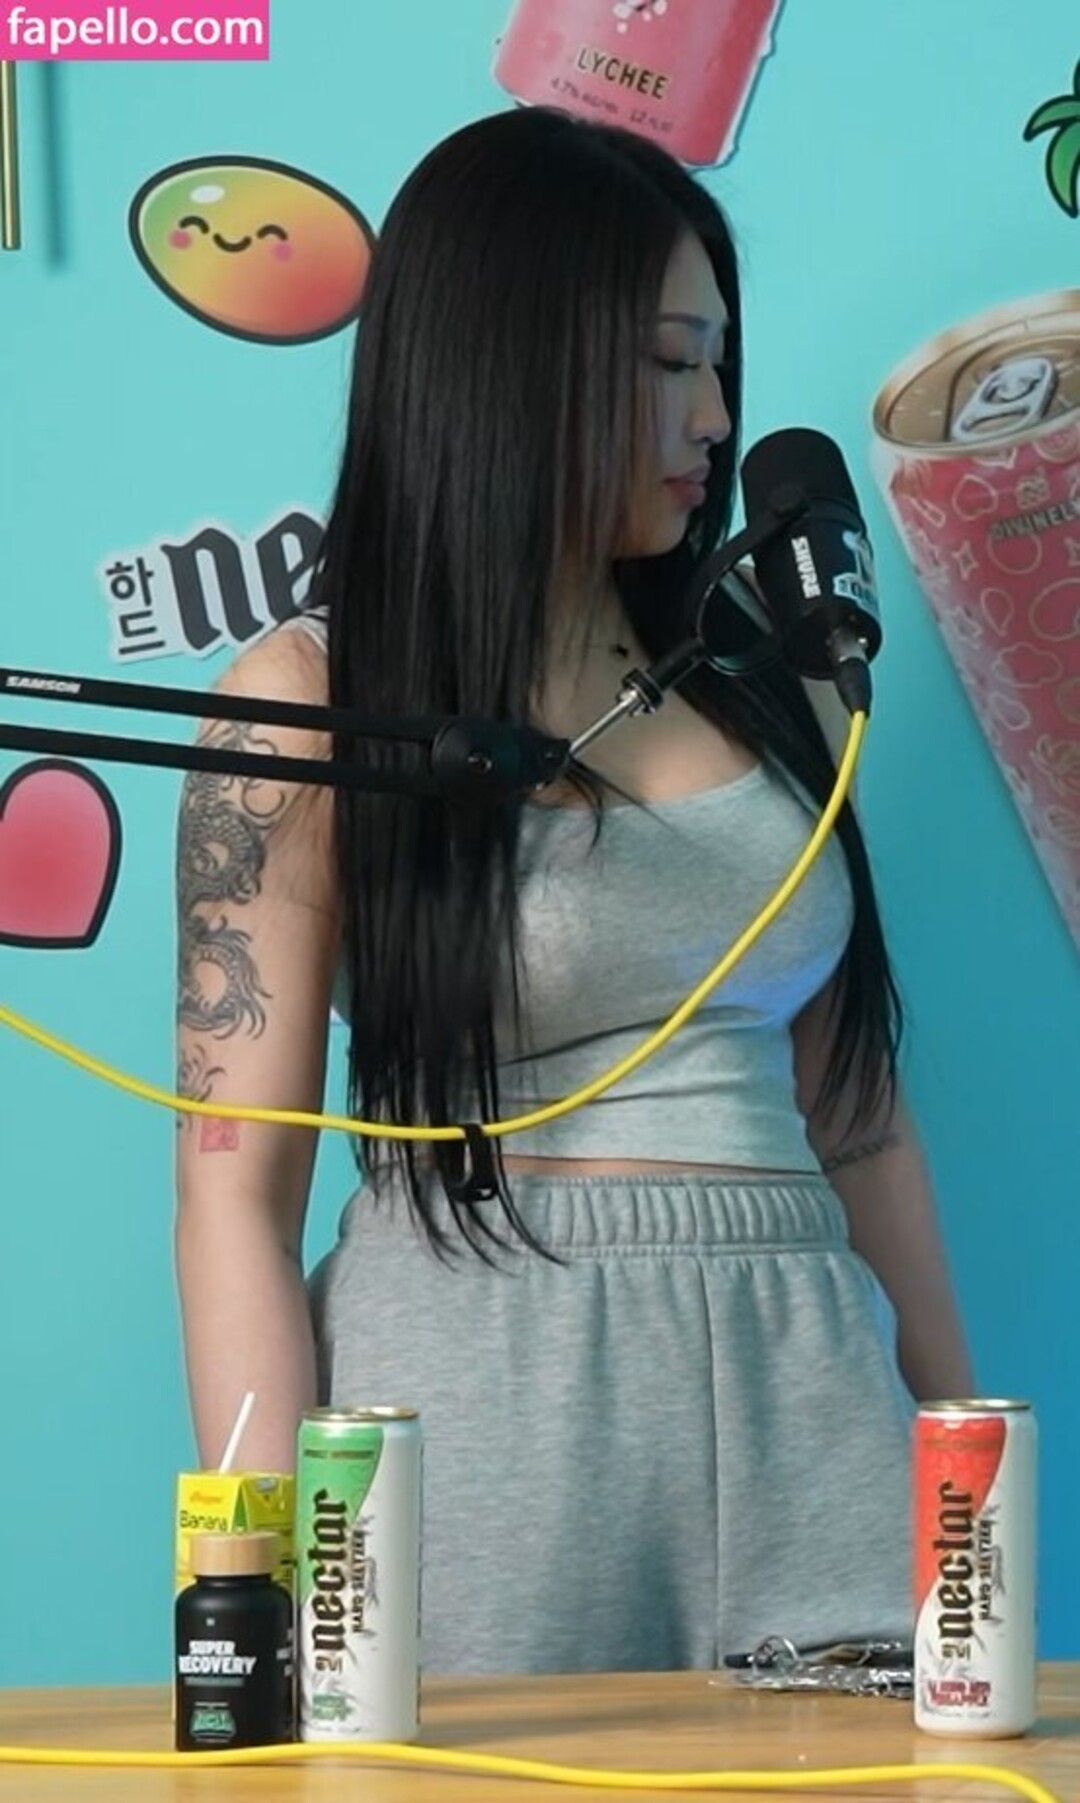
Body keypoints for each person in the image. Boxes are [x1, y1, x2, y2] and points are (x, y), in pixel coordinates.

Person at [174, 107, 973, 1676]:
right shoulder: (307, 701)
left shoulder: (775, 684)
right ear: (510, 361)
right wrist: (255, 1594)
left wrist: (964, 1466)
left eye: (722, 364)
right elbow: (230, 1195)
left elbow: (861, 1120)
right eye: (672, 362)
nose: (717, 417)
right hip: (479, 1378)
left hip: (810, 1374)